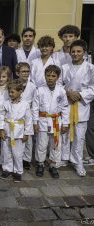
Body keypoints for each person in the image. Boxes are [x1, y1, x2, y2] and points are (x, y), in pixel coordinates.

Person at [61, 40, 94, 176]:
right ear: (70, 53)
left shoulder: (90, 68)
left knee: (79, 136)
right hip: (67, 103)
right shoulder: (64, 67)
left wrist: (79, 94)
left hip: (81, 105)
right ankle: (64, 158)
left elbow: (92, 88)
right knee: (65, 133)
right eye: (73, 51)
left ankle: (77, 162)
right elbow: (59, 85)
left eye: (78, 51)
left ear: (84, 53)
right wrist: (68, 92)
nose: (75, 54)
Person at [32, 65, 69, 179]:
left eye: (53, 76)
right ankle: (40, 164)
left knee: (56, 145)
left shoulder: (61, 91)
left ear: (57, 77)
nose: (50, 78)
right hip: (43, 120)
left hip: (56, 121)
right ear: (45, 76)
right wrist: (35, 122)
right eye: (48, 75)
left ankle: (53, 165)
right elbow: (35, 107)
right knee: (42, 144)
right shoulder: (39, 90)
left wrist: (66, 123)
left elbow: (65, 108)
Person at [0, 80, 33, 182]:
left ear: (20, 91)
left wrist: (26, 133)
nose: (10, 94)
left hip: (19, 132)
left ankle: (18, 171)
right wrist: (1, 130)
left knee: (18, 153)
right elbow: (1, 117)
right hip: (7, 130)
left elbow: (28, 119)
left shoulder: (25, 104)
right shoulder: (6, 104)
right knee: (6, 151)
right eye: (9, 91)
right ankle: (7, 169)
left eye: (13, 92)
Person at [15, 62, 36, 170]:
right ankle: (16, 156)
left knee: (28, 138)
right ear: (17, 73)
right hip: (16, 113)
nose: (26, 73)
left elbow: (35, 102)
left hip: (28, 114)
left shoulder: (32, 86)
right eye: (23, 71)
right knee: (17, 137)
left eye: (27, 71)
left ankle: (26, 159)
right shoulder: (13, 84)